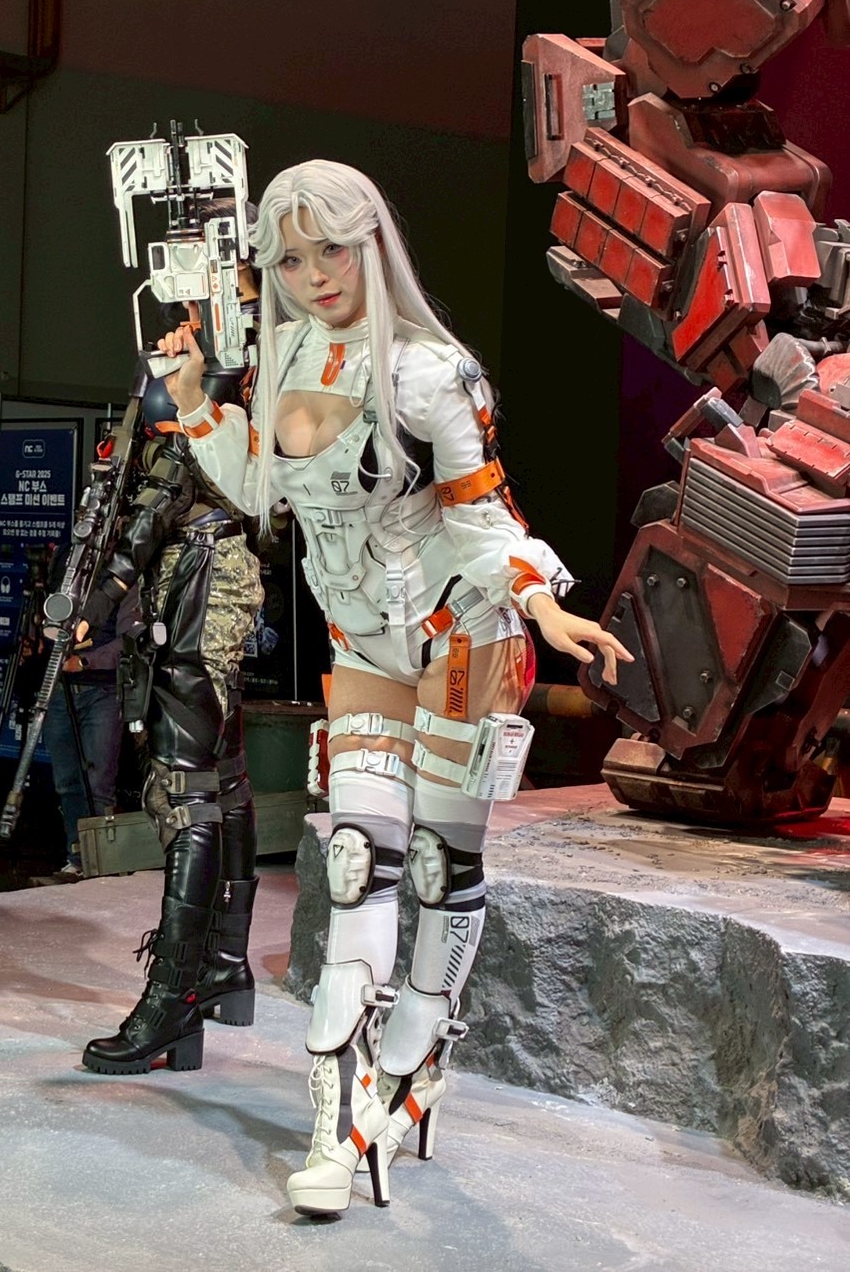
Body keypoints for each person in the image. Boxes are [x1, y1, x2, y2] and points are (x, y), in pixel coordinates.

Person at [157, 160, 632, 1216]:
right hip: (364, 644)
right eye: (290, 258)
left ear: (371, 243)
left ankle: (416, 1067)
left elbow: (480, 509)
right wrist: (193, 401)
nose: (314, 274)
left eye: (331, 248)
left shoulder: (430, 371)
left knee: (436, 864)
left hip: (462, 633)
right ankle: (335, 1130)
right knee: (353, 864)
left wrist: (541, 600)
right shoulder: (281, 354)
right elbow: (258, 485)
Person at [78, 201, 265, 1077]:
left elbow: (171, 484)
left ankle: (174, 1000)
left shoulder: (238, 351)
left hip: (203, 579)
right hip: (203, 576)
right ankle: (221, 965)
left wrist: (107, 587)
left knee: (187, 790)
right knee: (218, 778)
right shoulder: (227, 345)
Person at [33, 553, 134, 882]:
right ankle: (76, 856)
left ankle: (102, 861)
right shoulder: (64, 559)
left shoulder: (124, 568)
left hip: (102, 690)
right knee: (67, 781)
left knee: (98, 782)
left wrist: (87, 661)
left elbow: (130, 639)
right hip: (60, 687)